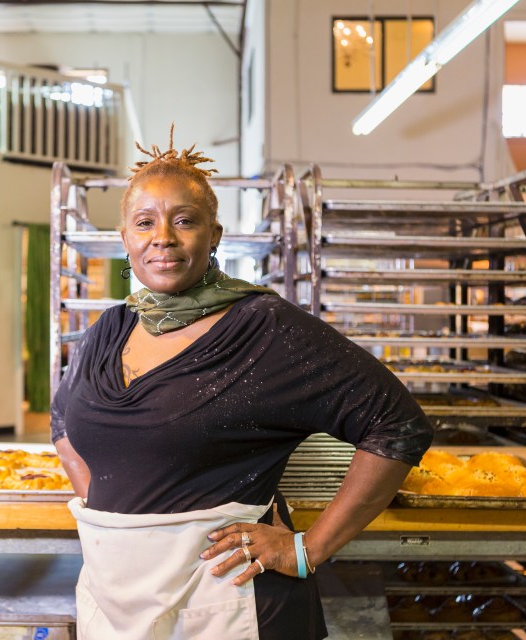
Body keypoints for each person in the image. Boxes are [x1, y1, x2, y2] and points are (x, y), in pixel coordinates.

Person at [51, 127, 433, 639]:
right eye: (145, 222)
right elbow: (63, 420)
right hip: (116, 594)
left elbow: (398, 425)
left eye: (184, 220)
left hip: (230, 598)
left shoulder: (265, 329)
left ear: (214, 235)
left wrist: (308, 548)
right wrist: (120, 523)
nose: (163, 237)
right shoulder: (109, 329)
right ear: (125, 239)